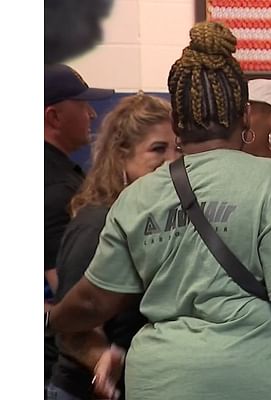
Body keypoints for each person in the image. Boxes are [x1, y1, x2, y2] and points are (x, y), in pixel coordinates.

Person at [46, 21, 271, 400]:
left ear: (176, 124)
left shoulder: (137, 197)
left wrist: (49, 319)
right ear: (243, 119)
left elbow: (94, 300)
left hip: (161, 382)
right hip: (260, 380)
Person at [46, 93, 179, 400]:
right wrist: (102, 358)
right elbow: (71, 327)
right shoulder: (97, 223)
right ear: (121, 155)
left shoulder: (157, 217)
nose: (172, 160)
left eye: (178, 148)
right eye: (158, 149)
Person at [44, 63, 114, 386]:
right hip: (60, 364)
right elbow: (67, 289)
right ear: (53, 117)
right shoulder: (56, 189)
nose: (92, 114)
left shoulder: (62, 176)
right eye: (82, 104)